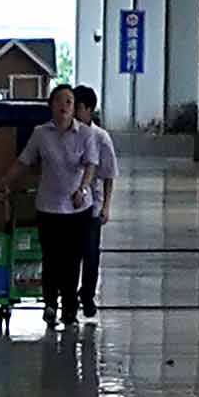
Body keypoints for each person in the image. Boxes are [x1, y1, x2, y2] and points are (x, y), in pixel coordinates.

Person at [27, 76, 99, 339]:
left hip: (77, 208)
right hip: (48, 206)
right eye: (59, 101)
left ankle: (69, 307)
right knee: (50, 258)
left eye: (69, 101)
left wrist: (83, 189)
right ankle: (49, 304)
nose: (64, 106)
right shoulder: (40, 134)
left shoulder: (86, 134)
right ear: (51, 106)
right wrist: (0, 185)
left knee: (72, 260)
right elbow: (24, 162)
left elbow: (91, 166)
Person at [75, 83, 119, 317]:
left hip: (93, 204)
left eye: (78, 107)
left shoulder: (101, 138)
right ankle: (69, 297)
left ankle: (88, 295)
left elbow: (109, 175)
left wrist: (106, 207)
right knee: (71, 254)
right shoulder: (66, 134)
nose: (73, 112)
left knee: (91, 254)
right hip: (68, 206)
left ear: (89, 110)